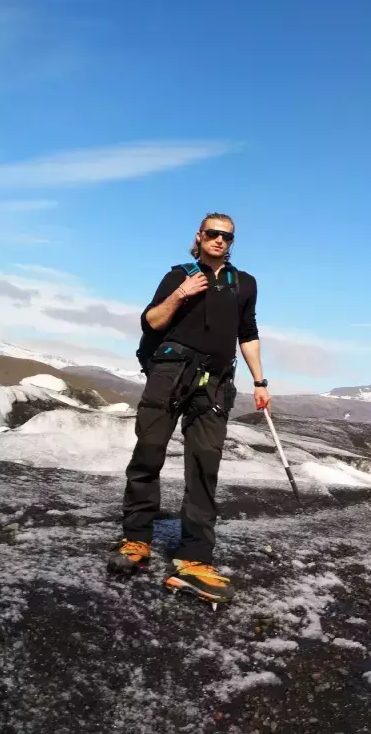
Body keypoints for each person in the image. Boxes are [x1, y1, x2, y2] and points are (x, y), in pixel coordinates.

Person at [108, 212, 271, 604]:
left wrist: (260, 381)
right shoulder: (178, 274)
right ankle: (136, 539)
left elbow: (247, 333)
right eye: (213, 234)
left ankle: (194, 558)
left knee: (204, 464)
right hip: (169, 374)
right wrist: (182, 292)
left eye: (227, 237)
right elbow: (151, 322)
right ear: (199, 236)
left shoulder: (243, 284)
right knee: (148, 452)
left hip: (214, 382)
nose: (220, 241)